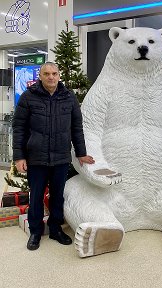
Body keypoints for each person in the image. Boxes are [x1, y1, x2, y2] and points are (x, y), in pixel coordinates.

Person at [12, 62, 95, 251]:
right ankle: (35, 232)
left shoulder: (69, 98)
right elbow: (19, 129)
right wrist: (19, 157)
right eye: (46, 73)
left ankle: (56, 229)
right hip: (36, 158)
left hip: (60, 158)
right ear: (40, 76)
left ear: (59, 76)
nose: (51, 77)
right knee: (36, 196)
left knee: (57, 196)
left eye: (54, 73)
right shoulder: (28, 97)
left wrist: (81, 153)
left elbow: (76, 128)